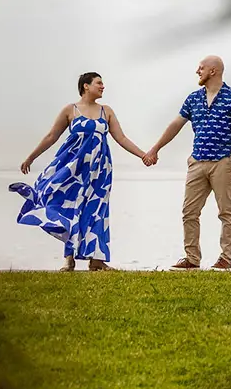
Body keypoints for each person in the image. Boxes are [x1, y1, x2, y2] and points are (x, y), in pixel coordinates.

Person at [11, 72, 151, 271]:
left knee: (97, 210)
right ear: (86, 86)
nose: (103, 86)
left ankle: (97, 261)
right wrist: (31, 157)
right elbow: (51, 136)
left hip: (99, 170)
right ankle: (69, 259)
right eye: (99, 83)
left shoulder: (106, 111)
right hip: (72, 171)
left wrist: (143, 155)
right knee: (71, 209)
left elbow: (122, 138)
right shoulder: (71, 110)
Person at [144, 55, 231, 270]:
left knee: (226, 212)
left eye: (201, 68)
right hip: (197, 162)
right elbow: (176, 125)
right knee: (189, 212)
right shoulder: (193, 99)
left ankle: (225, 259)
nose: (197, 71)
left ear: (213, 71)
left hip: (223, 162)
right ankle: (192, 258)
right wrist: (155, 148)